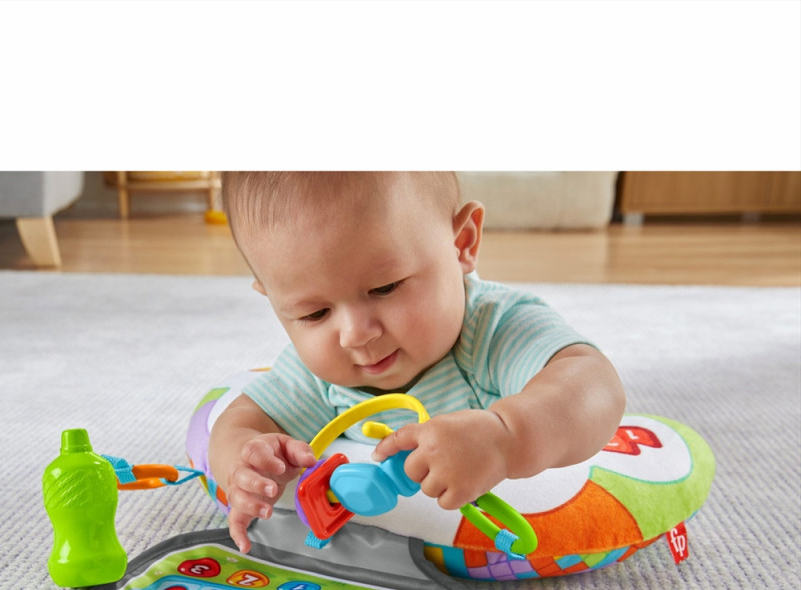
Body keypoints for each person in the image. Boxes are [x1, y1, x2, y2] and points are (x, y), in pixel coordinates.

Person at [208, 172, 625, 555]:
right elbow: (239, 423)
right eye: (314, 314)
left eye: (385, 287)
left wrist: (506, 437)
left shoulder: (494, 328)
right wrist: (245, 465)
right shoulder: (315, 375)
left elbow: (595, 385)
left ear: (462, 243)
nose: (355, 334)